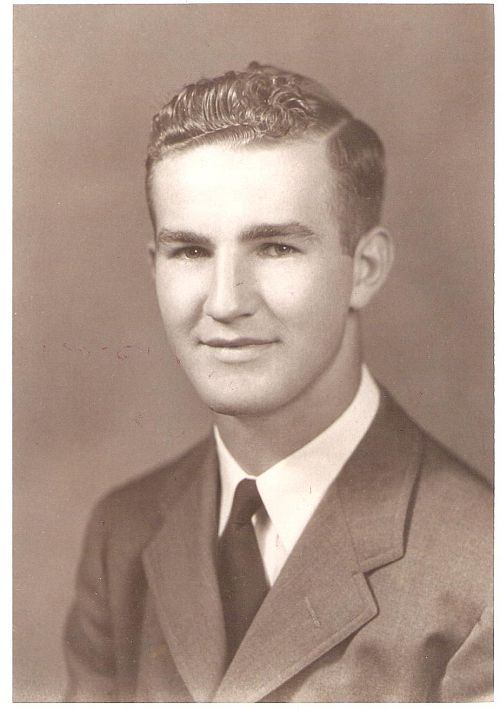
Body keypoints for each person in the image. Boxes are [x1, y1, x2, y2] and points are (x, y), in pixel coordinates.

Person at [64, 62, 492, 702]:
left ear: (365, 268)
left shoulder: (481, 572)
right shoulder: (122, 532)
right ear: (155, 267)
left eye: (276, 248)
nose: (225, 301)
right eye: (191, 251)